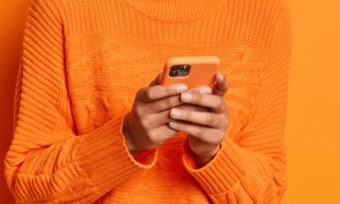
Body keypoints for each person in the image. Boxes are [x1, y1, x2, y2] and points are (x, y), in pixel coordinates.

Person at [4, 0, 292, 203]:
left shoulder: (264, 13)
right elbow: (27, 183)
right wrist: (129, 137)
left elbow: (267, 194)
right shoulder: (62, 7)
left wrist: (212, 151)